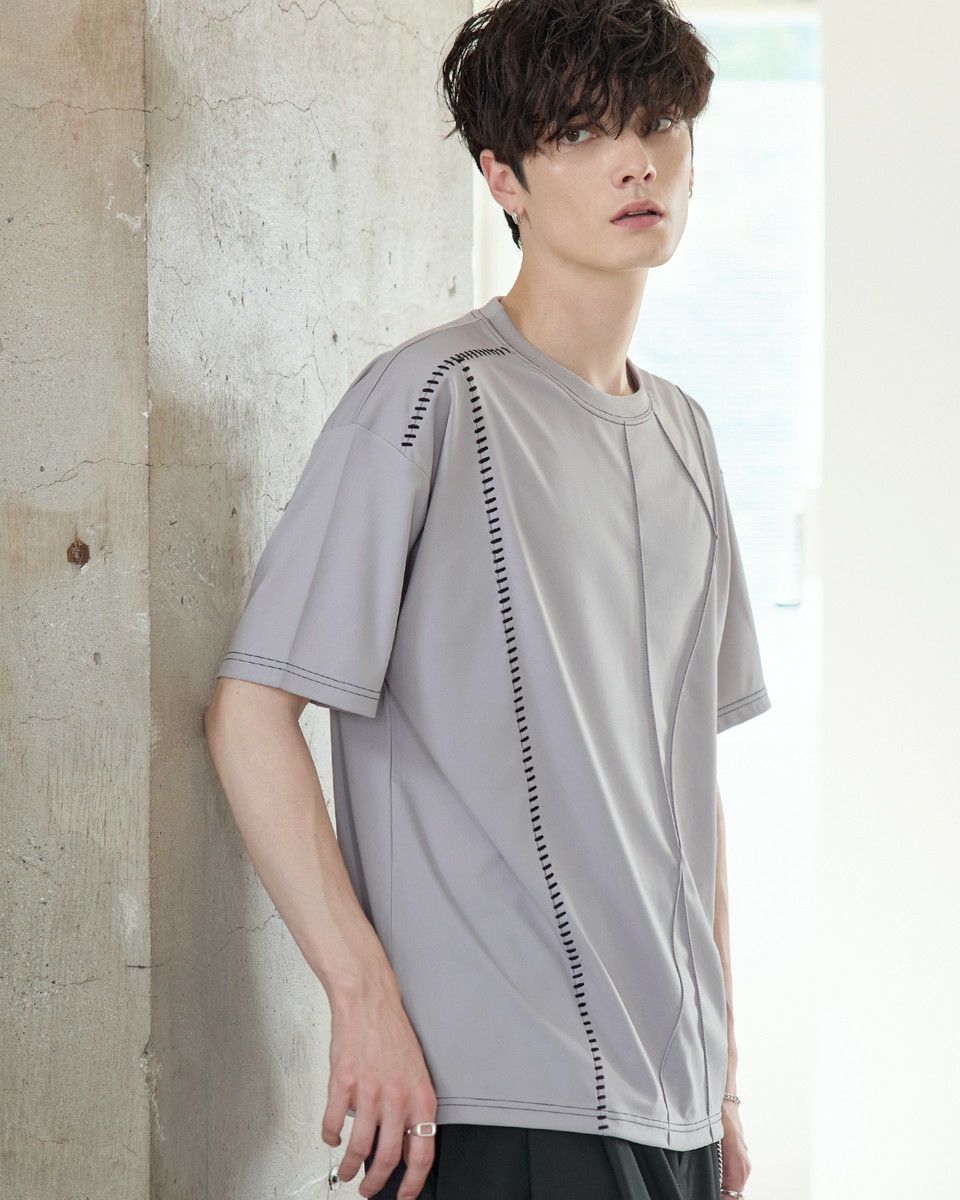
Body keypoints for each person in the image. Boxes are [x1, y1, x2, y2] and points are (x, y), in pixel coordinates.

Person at [204, 2, 771, 1198]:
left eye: (660, 123)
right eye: (582, 133)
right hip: (492, 1096)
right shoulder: (427, 398)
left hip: (672, 1098)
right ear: (502, 176)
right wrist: (360, 996)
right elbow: (251, 712)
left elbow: (686, 782)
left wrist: (719, 1076)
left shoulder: (687, 435)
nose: (636, 161)